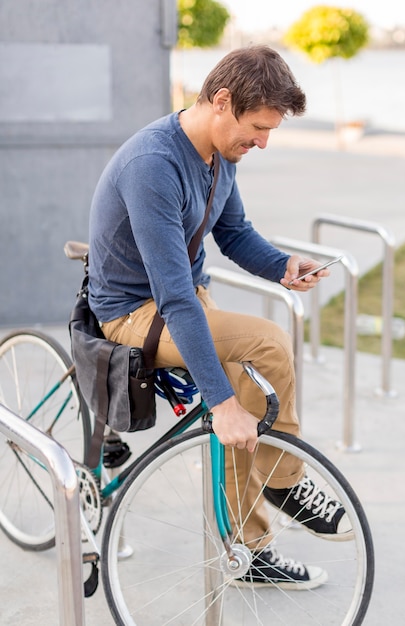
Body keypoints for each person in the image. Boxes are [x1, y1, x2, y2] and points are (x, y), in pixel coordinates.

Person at [88, 44, 352, 589]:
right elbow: (174, 297)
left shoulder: (219, 156)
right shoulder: (153, 165)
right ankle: (284, 481)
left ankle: (247, 549)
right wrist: (219, 401)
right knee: (269, 347)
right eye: (257, 127)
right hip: (137, 313)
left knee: (249, 404)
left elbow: (233, 232)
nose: (262, 141)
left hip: (184, 300)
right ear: (223, 101)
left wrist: (283, 266)